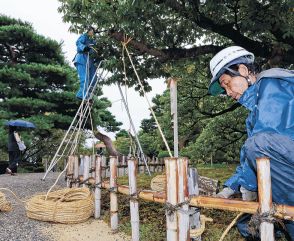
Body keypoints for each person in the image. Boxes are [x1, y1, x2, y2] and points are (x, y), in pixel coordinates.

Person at [208, 46, 294, 240]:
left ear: (244, 70)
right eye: (224, 89)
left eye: (228, 83)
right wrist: (230, 188)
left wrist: (239, 185)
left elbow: (262, 144)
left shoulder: (273, 83)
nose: (229, 93)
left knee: (258, 143)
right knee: (246, 224)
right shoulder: (254, 115)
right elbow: (253, 156)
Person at [73, 26, 98, 100]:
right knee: (85, 79)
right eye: (92, 31)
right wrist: (84, 47)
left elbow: (96, 50)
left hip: (90, 60)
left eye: (94, 32)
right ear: (89, 31)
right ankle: (82, 95)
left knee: (93, 79)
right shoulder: (84, 36)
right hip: (82, 59)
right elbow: (78, 43)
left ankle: (88, 95)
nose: (93, 32)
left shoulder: (94, 40)